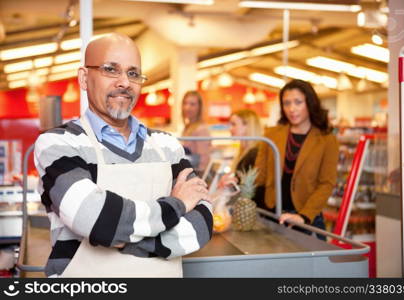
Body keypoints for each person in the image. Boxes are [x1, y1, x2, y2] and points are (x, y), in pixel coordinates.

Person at [34, 33, 213, 277]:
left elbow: (201, 226)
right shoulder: (57, 143)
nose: (124, 83)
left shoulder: (167, 144)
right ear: (84, 78)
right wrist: (178, 204)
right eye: (111, 70)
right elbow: (94, 217)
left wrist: (120, 239)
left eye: (133, 73)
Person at [255, 79, 339, 240]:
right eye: (286, 103)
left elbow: (326, 184)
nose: (291, 109)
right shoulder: (272, 134)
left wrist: (303, 216)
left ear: (310, 103)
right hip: (273, 214)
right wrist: (236, 180)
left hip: (306, 219)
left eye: (298, 102)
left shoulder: (327, 139)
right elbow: (259, 174)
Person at [219, 109, 264, 205]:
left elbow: (251, 187)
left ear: (247, 126)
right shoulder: (244, 151)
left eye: (234, 124)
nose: (230, 128)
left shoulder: (254, 153)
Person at [181, 91, 212, 175]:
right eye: (185, 103)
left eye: (192, 104)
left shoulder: (201, 129)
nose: (187, 107)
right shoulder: (188, 127)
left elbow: (204, 160)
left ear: (199, 107)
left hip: (195, 176)